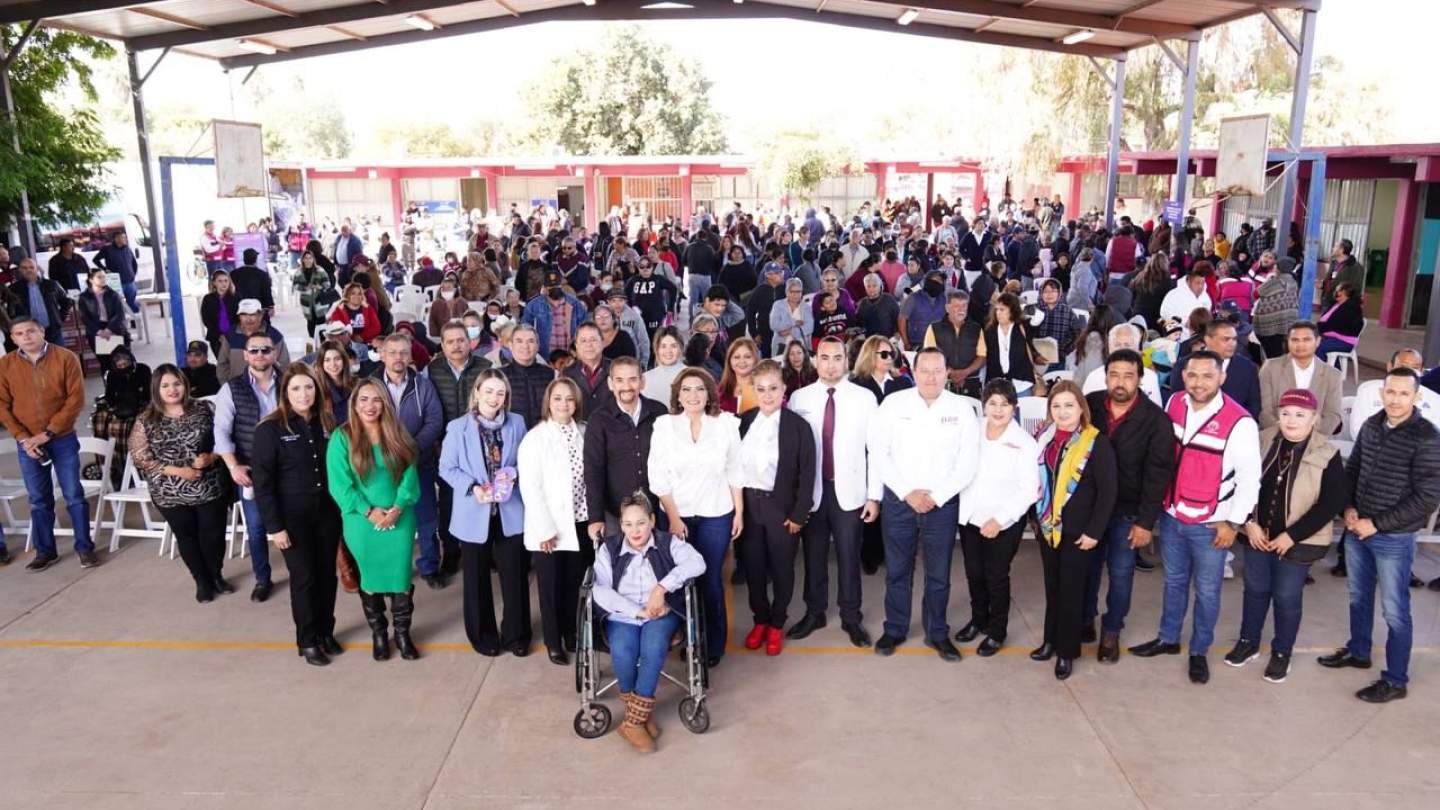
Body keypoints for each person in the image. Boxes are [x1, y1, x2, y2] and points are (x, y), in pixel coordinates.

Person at [1129, 349, 1261, 685]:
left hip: (1211, 525)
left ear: (1222, 378)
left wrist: (1233, 523)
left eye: (1207, 375)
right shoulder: (1173, 404)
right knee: (1173, 582)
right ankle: (1168, 638)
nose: (1198, 382)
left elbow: (1249, 479)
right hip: (1172, 517)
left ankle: (1199, 650)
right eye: (1192, 375)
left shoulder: (1240, 422)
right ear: (1182, 375)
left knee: (1207, 591)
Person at [1318, 368, 1440, 702]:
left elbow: (1428, 498)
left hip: (1393, 538)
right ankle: (1359, 651)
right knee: (1358, 596)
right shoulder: (1373, 425)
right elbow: (1353, 469)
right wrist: (1350, 508)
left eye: (1404, 394)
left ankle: (1396, 680)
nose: (1395, 399)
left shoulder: (1427, 437)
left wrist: (1378, 524)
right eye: (1390, 392)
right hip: (1358, 529)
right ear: (1382, 393)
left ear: (1416, 397)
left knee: (1394, 609)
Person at [1223, 389, 1347, 683]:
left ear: (1314, 419)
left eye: (1300, 415)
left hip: (1298, 542)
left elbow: (1331, 502)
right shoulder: (1261, 440)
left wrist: (1292, 536)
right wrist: (1248, 522)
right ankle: (1248, 642)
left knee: (1287, 596)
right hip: (1257, 535)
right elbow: (1238, 481)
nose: (1291, 421)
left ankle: (1282, 653)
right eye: (1286, 413)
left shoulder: (1327, 453)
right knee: (1254, 590)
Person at [867, 348, 978, 661]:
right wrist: (907, 493)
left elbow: (968, 462)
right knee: (898, 571)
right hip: (900, 502)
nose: (931, 376)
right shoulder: (893, 404)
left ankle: (937, 633)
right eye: (925, 370)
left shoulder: (961, 409)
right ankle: (895, 628)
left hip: (941, 506)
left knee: (939, 574)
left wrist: (936, 497)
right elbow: (879, 452)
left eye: (937, 370)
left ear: (947, 373)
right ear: (913, 373)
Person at [592, 490, 706, 753]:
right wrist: (636, 611)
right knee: (622, 650)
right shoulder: (609, 549)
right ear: (621, 525)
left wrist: (661, 589)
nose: (635, 530)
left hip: (660, 612)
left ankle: (632, 722)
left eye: (641, 523)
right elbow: (600, 590)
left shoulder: (667, 542)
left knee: (653, 648)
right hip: (625, 614)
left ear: (653, 521)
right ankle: (641, 717)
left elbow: (697, 563)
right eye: (628, 524)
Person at [647, 367, 743, 668]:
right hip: (678, 514)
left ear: (709, 393)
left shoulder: (726, 424)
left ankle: (713, 643)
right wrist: (674, 518)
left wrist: (739, 511)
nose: (693, 395)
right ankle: (686, 637)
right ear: (678, 394)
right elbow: (657, 476)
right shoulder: (664, 425)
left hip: (716, 514)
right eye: (686, 389)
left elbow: (735, 470)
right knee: (681, 580)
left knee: (711, 580)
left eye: (699, 389)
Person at [1081, 349, 1174, 661]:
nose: (1120, 382)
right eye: (1114, 374)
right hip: (1092, 508)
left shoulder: (1156, 420)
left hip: (1128, 511)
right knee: (1088, 568)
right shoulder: (1090, 405)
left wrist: (1146, 522)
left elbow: (1158, 475)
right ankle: (1085, 618)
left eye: (1128, 375)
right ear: (1105, 376)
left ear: (1140, 379)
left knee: (1120, 572)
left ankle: (1111, 630)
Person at [787, 337, 879, 648]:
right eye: (824, 358)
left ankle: (851, 617)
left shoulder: (864, 398)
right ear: (815, 360)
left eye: (837, 358)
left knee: (849, 555)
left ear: (846, 361)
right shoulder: (799, 398)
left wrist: (874, 495)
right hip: (812, 493)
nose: (830, 364)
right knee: (813, 555)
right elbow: (793, 452)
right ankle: (815, 613)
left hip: (850, 491)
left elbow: (875, 451)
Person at [252, 364, 344, 666]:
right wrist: (275, 527)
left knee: (326, 576)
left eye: (308, 387)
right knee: (303, 577)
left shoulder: (327, 422)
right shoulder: (270, 429)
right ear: (285, 393)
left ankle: (325, 631)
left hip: (327, 513)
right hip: (292, 518)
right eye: (295, 389)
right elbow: (263, 484)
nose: (303, 394)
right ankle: (307, 640)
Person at [328, 379, 423, 662]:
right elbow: (340, 484)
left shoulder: (397, 432)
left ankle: (403, 634)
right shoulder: (341, 437)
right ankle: (379, 633)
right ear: (354, 404)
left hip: (400, 517)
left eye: (376, 400)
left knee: (400, 576)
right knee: (369, 577)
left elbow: (410, 473)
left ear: (385, 403)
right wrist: (369, 511)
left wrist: (397, 507)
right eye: (364, 400)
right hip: (361, 521)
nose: (370, 406)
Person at [1028, 382, 1117, 679]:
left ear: (1081, 408)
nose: (1062, 412)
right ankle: (1049, 640)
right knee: (1053, 588)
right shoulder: (1043, 438)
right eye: (1056, 406)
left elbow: (1108, 493)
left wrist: (1094, 531)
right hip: (1048, 528)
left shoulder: (1096, 442)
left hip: (1079, 532)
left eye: (1069, 405)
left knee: (1071, 591)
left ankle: (1066, 652)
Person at [439, 369, 530, 656]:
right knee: (476, 578)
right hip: (473, 513)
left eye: (500, 393)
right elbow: (446, 468)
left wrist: (513, 474)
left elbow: (527, 462)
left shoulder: (517, 423)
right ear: (476, 393)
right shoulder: (458, 428)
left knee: (514, 576)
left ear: (506, 397)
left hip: (509, 510)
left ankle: (517, 636)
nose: (494, 397)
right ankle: (483, 636)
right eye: (488, 391)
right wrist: (472, 488)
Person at [0, 319, 95, 570]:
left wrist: (49, 432)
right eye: (19, 333)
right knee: (38, 499)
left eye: (31, 331)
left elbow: (75, 399)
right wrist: (23, 438)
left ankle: (85, 549)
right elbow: (2, 405)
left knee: (74, 495)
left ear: (42, 331)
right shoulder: (5, 365)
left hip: (61, 438)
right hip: (28, 443)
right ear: (13, 338)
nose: (26, 336)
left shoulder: (65, 358)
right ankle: (45, 551)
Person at [955, 379, 1039, 656]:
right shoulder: (972, 430)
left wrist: (1000, 519)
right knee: (974, 574)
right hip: (970, 517)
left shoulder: (1024, 442)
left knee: (996, 576)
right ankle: (978, 620)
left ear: (1014, 407)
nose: (998, 409)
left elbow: (1029, 490)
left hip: (1003, 522)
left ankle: (996, 630)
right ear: (983, 405)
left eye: (1004, 404)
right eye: (992, 403)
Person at [128, 364, 227, 600]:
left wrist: (212, 456)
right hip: (169, 491)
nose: (172, 389)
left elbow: (225, 437)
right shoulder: (146, 419)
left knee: (213, 534)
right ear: (156, 389)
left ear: (185, 385)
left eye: (176, 383)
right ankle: (202, 582)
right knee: (187, 536)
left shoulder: (205, 408)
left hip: (209, 485)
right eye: (165, 385)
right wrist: (178, 472)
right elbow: (140, 457)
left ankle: (215, 575)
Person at [738, 360, 816, 656]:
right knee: (754, 567)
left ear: (784, 389)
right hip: (749, 505)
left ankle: (777, 623)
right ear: (753, 390)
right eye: (761, 389)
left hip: (781, 508)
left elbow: (808, 473)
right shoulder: (743, 421)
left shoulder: (798, 426)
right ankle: (760, 618)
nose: (767, 395)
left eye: (773, 388)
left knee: (783, 568)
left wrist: (799, 513)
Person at [518, 377, 594, 666]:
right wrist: (545, 530)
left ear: (577, 403)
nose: (564, 404)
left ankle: (571, 633)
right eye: (558, 398)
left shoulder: (584, 432)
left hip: (580, 521)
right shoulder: (535, 439)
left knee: (574, 583)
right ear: (548, 402)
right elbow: (531, 488)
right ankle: (553, 641)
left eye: (569, 399)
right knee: (550, 585)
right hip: (549, 526)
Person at [368, 333, 445, 590]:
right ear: (382, 354)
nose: (398, 358)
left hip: (418, 462)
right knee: (387, 517)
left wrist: (412, 448)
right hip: (381, 466)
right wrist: (386, 450)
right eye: (393, 352)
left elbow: (434, 420)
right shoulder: (371, 385)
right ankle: (390, 569)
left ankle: (429, 566)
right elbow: (363, 419)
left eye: (403, 352)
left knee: (425, 518)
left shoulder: (423, 385)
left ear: (410, 355)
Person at [213, 330, 282, 601]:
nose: (260, 355)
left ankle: (301, 572)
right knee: (255, 528)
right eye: (254, 350)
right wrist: (233, 467)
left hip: (287, 469)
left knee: (296, 523)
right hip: (251, 471)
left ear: (275, 352)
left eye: (266, 349)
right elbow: (220, 431)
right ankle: (263, 579)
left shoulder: (291, 382)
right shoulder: (231, 389)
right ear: (246, 355)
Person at [585, 356, 670, 544]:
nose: (626, 386)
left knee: (659, 567)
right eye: (619, 380)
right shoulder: (599, 419)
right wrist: (595, 517)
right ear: (610, 383)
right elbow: (593, 470)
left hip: (657, 510)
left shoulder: (659, 412)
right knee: (620, 569)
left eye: (633, 379)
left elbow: (671, 461)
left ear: (642, 381)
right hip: (616, 514)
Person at [1258, 321, 1343, 435]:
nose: (1300, 345)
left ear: (1317, 341)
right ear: (1288, 342)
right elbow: (1264, 411)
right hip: (1276, 438)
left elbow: (1333, 415)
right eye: (1295, 340)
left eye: (1306, 340)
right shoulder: (1270, 368)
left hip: (1315, 441)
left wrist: (1308, 437)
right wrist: (1286, 434)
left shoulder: (1332, 375)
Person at [1172, 320, 1261, 418]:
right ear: (1208, 339)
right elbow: (1177, 401)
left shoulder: (1247, 368)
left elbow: (1254, 406)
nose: (1232, 344)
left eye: (1234, 339)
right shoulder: (1185, 365)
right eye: (1226, 339)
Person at [1080, 324, 1162, 405]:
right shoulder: (1094, 377)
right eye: (1117, 345)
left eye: (1127, 345)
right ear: (1109, 349)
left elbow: (1157, 413)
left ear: (1137, 349)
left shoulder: (1150, 377)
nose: (1122, 349)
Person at [923, 290, 984, 397]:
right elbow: (929, 355)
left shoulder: (976, 329)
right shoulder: (934, 328)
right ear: (947, 308)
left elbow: (982, 356)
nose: (961, 310)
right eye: (956, 306)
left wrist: (965, 372)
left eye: (964, 306)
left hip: (970, 383)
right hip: (942, 382)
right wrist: (949, 372)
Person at [976, 291, 1036, 396]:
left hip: (1021, 384)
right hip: (996, 385)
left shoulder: (1024, 327)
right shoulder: (989, 331)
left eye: (1002, 309)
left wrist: (1023, 305)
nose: (998, 313)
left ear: (1012, 311)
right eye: (996, 309)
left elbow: (1039, 316)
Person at [218, 299, 291, 382]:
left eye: (252, 314)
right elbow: (222, 364)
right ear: (239, 316)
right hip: (237, 388)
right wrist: (228, 385)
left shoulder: (274, 336)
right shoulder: (231, 335)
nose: (248, 319)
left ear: (261, 315)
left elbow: (284, 365)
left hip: (267, 388)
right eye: (244, 314)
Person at [523, 269, 587, 357]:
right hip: (544, 356)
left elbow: (585, 328)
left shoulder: (575, 304)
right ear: (544, 287)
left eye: (557, 285)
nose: (554, 288)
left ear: (562, 284)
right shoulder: (533, 305)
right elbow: (525, 329)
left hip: (570, 356)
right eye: (551, 286)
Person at [502, 324, 556, 428]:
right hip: (513, 437)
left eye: (531, 341)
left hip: (544, 436)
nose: (525, 346)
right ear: (510, 345)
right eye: (519, 341)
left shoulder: (552, 375)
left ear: (538, 345)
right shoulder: (500, 376)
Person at [8, 257, 71, 345]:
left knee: (59, 357)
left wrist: (60, 318)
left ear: (37, 268)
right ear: (20, 270)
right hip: (28, 334)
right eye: (24, 268)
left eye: (31, 267)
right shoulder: (13, 289)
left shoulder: (52, 284)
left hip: (52, 331)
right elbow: (10, 312)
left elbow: (66, 302)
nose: (28, 270)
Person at [77, 267, 130, 373]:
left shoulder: (113, 294)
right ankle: (110, 386)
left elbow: (119, 314)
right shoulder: (84, 297)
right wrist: (99, 331)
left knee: (122, 361)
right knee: (106, 364)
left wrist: (108, 330)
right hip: (97, 331)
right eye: (99, 277)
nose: (103, 279)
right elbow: (85, 317)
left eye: (104, 277)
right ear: (91, 280)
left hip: (114, 329)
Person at [1252, 251, 1299, 359]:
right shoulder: (1293, 281)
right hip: (1286, 320)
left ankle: (1271, 369)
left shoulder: (1275, 281)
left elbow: (1256, 294)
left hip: (1270, 322)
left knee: (1270, 349)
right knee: (1278, 346)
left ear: (1278, 268)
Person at [562, 322, 612, 419]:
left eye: (593, 340)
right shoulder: (567, 374)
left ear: (602, 342)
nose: (589, 345)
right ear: (576, 346)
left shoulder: (616, 369)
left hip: (612, 430)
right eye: (583, 341)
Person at [851, 334, 913, 403]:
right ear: (870, 356)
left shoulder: (904, 382)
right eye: (884, 354)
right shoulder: (855, 384)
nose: (889, 358)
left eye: (892, 354)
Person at [897, 270, 948, 350]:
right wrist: (906, 343)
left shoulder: (944, 299)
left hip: (938, 343)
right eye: (934, 280)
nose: (937, 283)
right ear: (927, 281)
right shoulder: (913, 298)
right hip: (917, 343)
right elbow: (902, 320)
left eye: (940, 281)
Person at [92, 230, 140, 312]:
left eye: (125, 237)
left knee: (131, 303)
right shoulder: (107, 249)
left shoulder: (127, 249)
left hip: (130, 281)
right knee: (117, 304)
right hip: (114, 280)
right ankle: (120, 323)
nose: (125, 239)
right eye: (123, 237)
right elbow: (95, 260)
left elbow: (134, 263)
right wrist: (105, 269)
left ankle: (135, 322)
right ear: (116, 239)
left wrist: (132, 275)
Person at [1316, 282, 1364, 361]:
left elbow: (1335, 325)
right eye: (1337, 290)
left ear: (1347, 294)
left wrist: (1320, 330)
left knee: (1319, 347)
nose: (1336, 293)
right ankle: (1335, 369)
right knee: (1308, 342)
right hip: (1331, 336)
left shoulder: (1351, 307)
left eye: (1339, 291)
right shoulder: (1336, 304)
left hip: (1344, 341)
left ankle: (1324, 371)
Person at [293, 250, 337, 336]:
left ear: (313, 259)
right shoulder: (299, 272)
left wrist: (319, 287)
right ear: (303, 260)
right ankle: (312, 342)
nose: (308, 260)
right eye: (306, 258)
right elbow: (295, 285)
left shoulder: (320, 270)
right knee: (310, 323)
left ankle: (322, 343)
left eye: (310, 258)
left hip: (319, 301)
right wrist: (305, 288)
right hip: (307, 303)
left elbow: (327, 284)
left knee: (321, 324)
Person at [769, 278, 813, 357]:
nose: (795, 295)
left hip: (801, 347)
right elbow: (774, 325)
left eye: (798, 292)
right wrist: (794, 322)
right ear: (786, 292)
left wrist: (790, 331)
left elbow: (809, 327)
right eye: (792, 291)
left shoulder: (807, 307)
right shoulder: (778, 305)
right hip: (781, 346)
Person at [200, 270, 239, 357]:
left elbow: (238, 318)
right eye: (220, 281)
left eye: (226, 280)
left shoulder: (236, 297)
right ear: (214, 283)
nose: (223, 284)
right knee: (222, 363)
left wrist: (230, 335)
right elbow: (206, 320)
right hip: (216, 338)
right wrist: (219, 335)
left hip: (234, 336)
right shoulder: (208, 299)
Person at [717, 337, 759, 414]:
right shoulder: (720, 391)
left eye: (747, 357)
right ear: (730, 362)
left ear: (755, 360)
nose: (742, 361)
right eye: (736, 357)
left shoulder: (766, 388)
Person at [316, 338, 355, 424]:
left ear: (344, 360)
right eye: (327, 360)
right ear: (321, 363)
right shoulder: (317, 388)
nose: (333, 364)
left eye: (337, 359)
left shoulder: (356, 383)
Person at [643, 327, 685, 402]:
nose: (668, 351)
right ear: (657, 349)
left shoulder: (691, 374)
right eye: (663, 346)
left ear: (680, 348)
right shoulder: (646, 378)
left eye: (673, 346)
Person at [1321, 239, 1365, 309]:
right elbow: (1331, 280)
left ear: (1341, 250)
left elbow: (1356, 288)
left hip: (1342, 305)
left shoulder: (1355, 267)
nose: (1332, 248)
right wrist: (1323, 285)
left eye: (1335, 246)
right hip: (1328, 302)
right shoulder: (1333, 263)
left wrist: (1342, 295)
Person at [229, 249, 274, 315]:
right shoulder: (262, 274)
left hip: (238, 307)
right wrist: (270, 306)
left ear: (244, 259)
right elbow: (266, 291)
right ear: (255, 260)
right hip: (257, 308)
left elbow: (230, 291)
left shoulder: (233, 273)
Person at [856, 272, 901, 339]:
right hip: (869, 340)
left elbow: (898, 317)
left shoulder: (889, 299)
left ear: (880, 286)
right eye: (868, 286)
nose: (871, 289)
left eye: (874, 286)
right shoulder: (862, 303)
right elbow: (859, 323)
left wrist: (897, 332)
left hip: (889, 338)